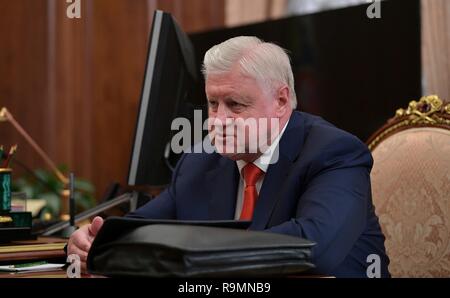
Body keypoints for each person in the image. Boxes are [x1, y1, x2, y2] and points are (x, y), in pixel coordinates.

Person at [68, 36, 390, 277]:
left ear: (281, 100)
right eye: (212, 104)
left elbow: (315, 250)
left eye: (236, 105)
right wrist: (98, 240)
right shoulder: (199, 162)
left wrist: (202, 252)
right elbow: (142, 226)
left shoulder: (334, 154)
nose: (218, 121)